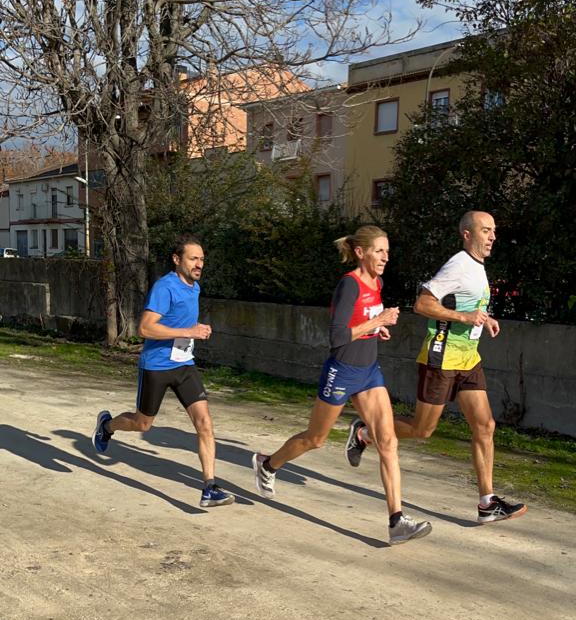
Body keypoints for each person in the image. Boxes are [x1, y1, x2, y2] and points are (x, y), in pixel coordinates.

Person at [252, 225, 432, 544]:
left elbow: (359, 323)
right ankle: (268, 464)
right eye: (379, 251)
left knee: (388, 441)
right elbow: (336, 338)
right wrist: (377, 322)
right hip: (342, 371)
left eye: (387, 251)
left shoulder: (377, 282)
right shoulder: (348, 285)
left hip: (369, 372)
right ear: (361, 252)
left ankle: (396, 521)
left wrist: (377, 329)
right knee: (315, 439)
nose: (385, 257)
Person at [345, 211, 526, 524]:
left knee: (485, 426)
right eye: (486, 231)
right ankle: (365, 433)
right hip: (441, 359)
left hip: (468, 358)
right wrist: (464, 318)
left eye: (494, 230)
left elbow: (468, 305)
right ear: (467, 234)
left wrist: (483, 319)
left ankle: (487, 502)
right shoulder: (457, 264)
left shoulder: (478, 267)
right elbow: (423, 304)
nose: (492, 236)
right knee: (422, 429)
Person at [92, 235, 234, 509]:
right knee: (142, 424)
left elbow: (180, 322)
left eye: (202, 259)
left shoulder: (194, 287)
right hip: (156, 366)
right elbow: (144, 328)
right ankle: (107, 426)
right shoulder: (164, 287)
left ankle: (209, 487)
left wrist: (196, 330)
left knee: (204, 423)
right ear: (176, 259)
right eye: (193, 258)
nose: (199, 264)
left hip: (184, 365)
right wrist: (188, 331)